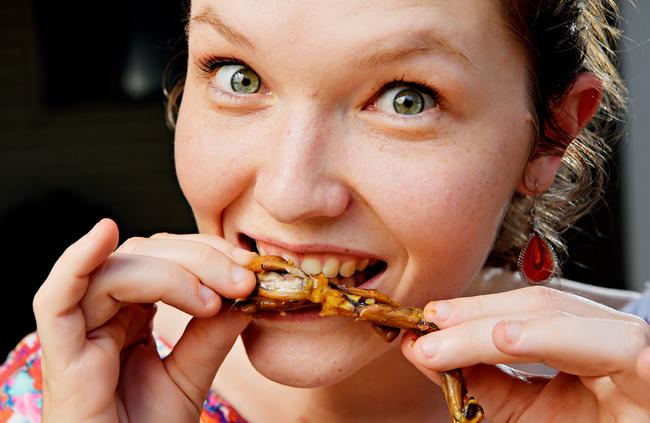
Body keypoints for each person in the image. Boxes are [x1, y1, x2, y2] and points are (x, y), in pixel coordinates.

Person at [2, 0, 650, 421]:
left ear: (552, 135)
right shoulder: (71, 383)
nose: (289, 194)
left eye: (405, 98)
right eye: (238, 76)